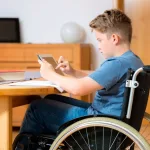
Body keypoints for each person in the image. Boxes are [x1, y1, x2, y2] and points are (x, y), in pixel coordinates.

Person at [15, 9, 143, 149]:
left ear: (114, 38)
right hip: (112, 122)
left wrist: (50, 74)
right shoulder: (133, 61)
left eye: (100, 40)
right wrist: (72, 72)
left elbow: (78, 89)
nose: (98, 46)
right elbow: (96, 79)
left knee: (36, 108)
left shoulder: (116, 63)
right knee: (51, 98)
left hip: (99, 127)